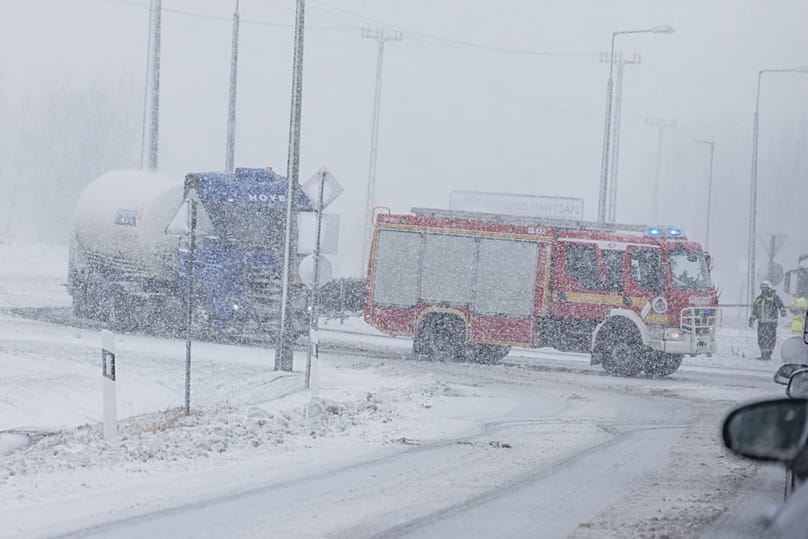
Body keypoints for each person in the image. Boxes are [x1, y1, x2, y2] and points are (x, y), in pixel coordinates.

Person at [749, 280, 787, 360]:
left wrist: (783, 312)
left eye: (765, 288)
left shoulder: (774, 297)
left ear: (769, 288)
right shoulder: (759, 298)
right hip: (761, 323)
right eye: (762, 288)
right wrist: (751, 320)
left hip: (771, 324)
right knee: (761, 339)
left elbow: (781, 305)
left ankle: (768, 355)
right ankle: (763, 355)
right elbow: (755, 311)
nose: (764, 290)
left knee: (770, 339)